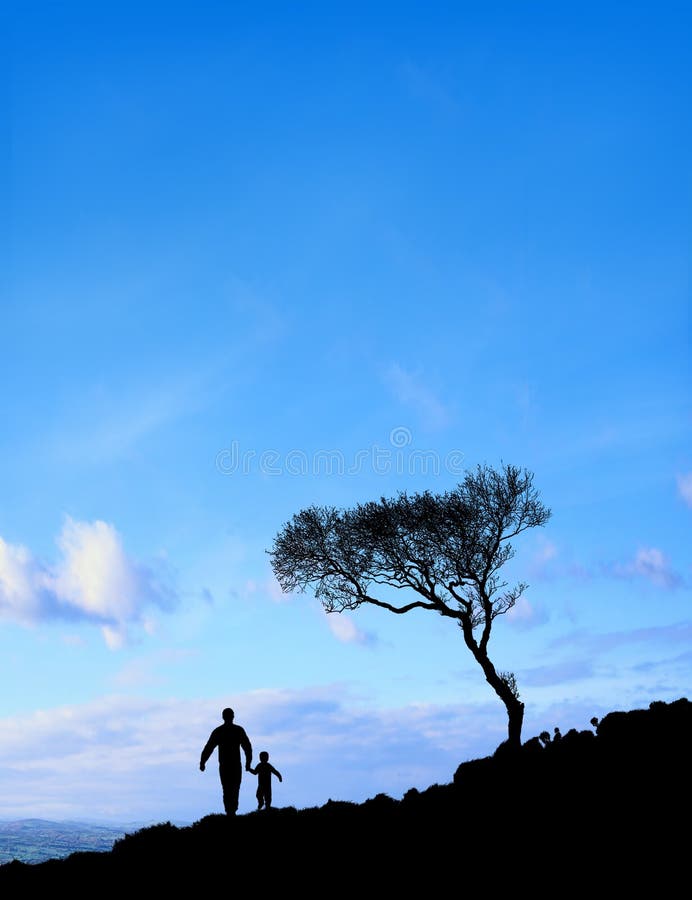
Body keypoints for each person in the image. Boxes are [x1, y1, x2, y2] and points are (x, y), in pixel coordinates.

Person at [200, 707, 253, 815]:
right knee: (233, 788)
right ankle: (231, 811)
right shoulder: (237, 730)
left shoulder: (220, 731)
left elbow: (209, 747)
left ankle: (230, 811)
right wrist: (248, 762)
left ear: (223, 717)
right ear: (232, 716)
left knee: (228, 789)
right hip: (231, 765)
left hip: (227, 765)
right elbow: (247, 747)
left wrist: (203, 762)